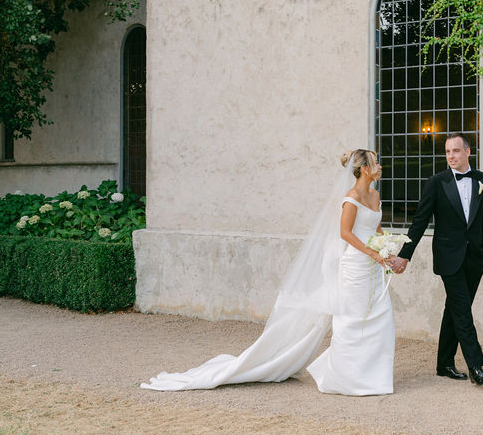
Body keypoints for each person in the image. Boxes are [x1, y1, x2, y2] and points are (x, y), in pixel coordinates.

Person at [141, 149, 398, 395]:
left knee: (380, 317)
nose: (380, 167)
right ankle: (346, 379)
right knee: (352, 319)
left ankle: (373, 376)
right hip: (355, 266)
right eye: (376, 163)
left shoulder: (374, 196)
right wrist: (373, 253)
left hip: (373, 267)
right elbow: (345, 233)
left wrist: (386, 251)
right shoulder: (350, 198)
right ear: (364, 169)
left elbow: (374, 229)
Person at [391, 132, 483, 386]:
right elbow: (420, 221)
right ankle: (476, 367)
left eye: (456, 151)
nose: (451, 156)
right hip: (449, 257)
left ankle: (444, 363)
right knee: (462, 310)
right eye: (448, 151)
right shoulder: (436, 182)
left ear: (468, 152)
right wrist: (405, 255)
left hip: (475, 257)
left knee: (455, 310)